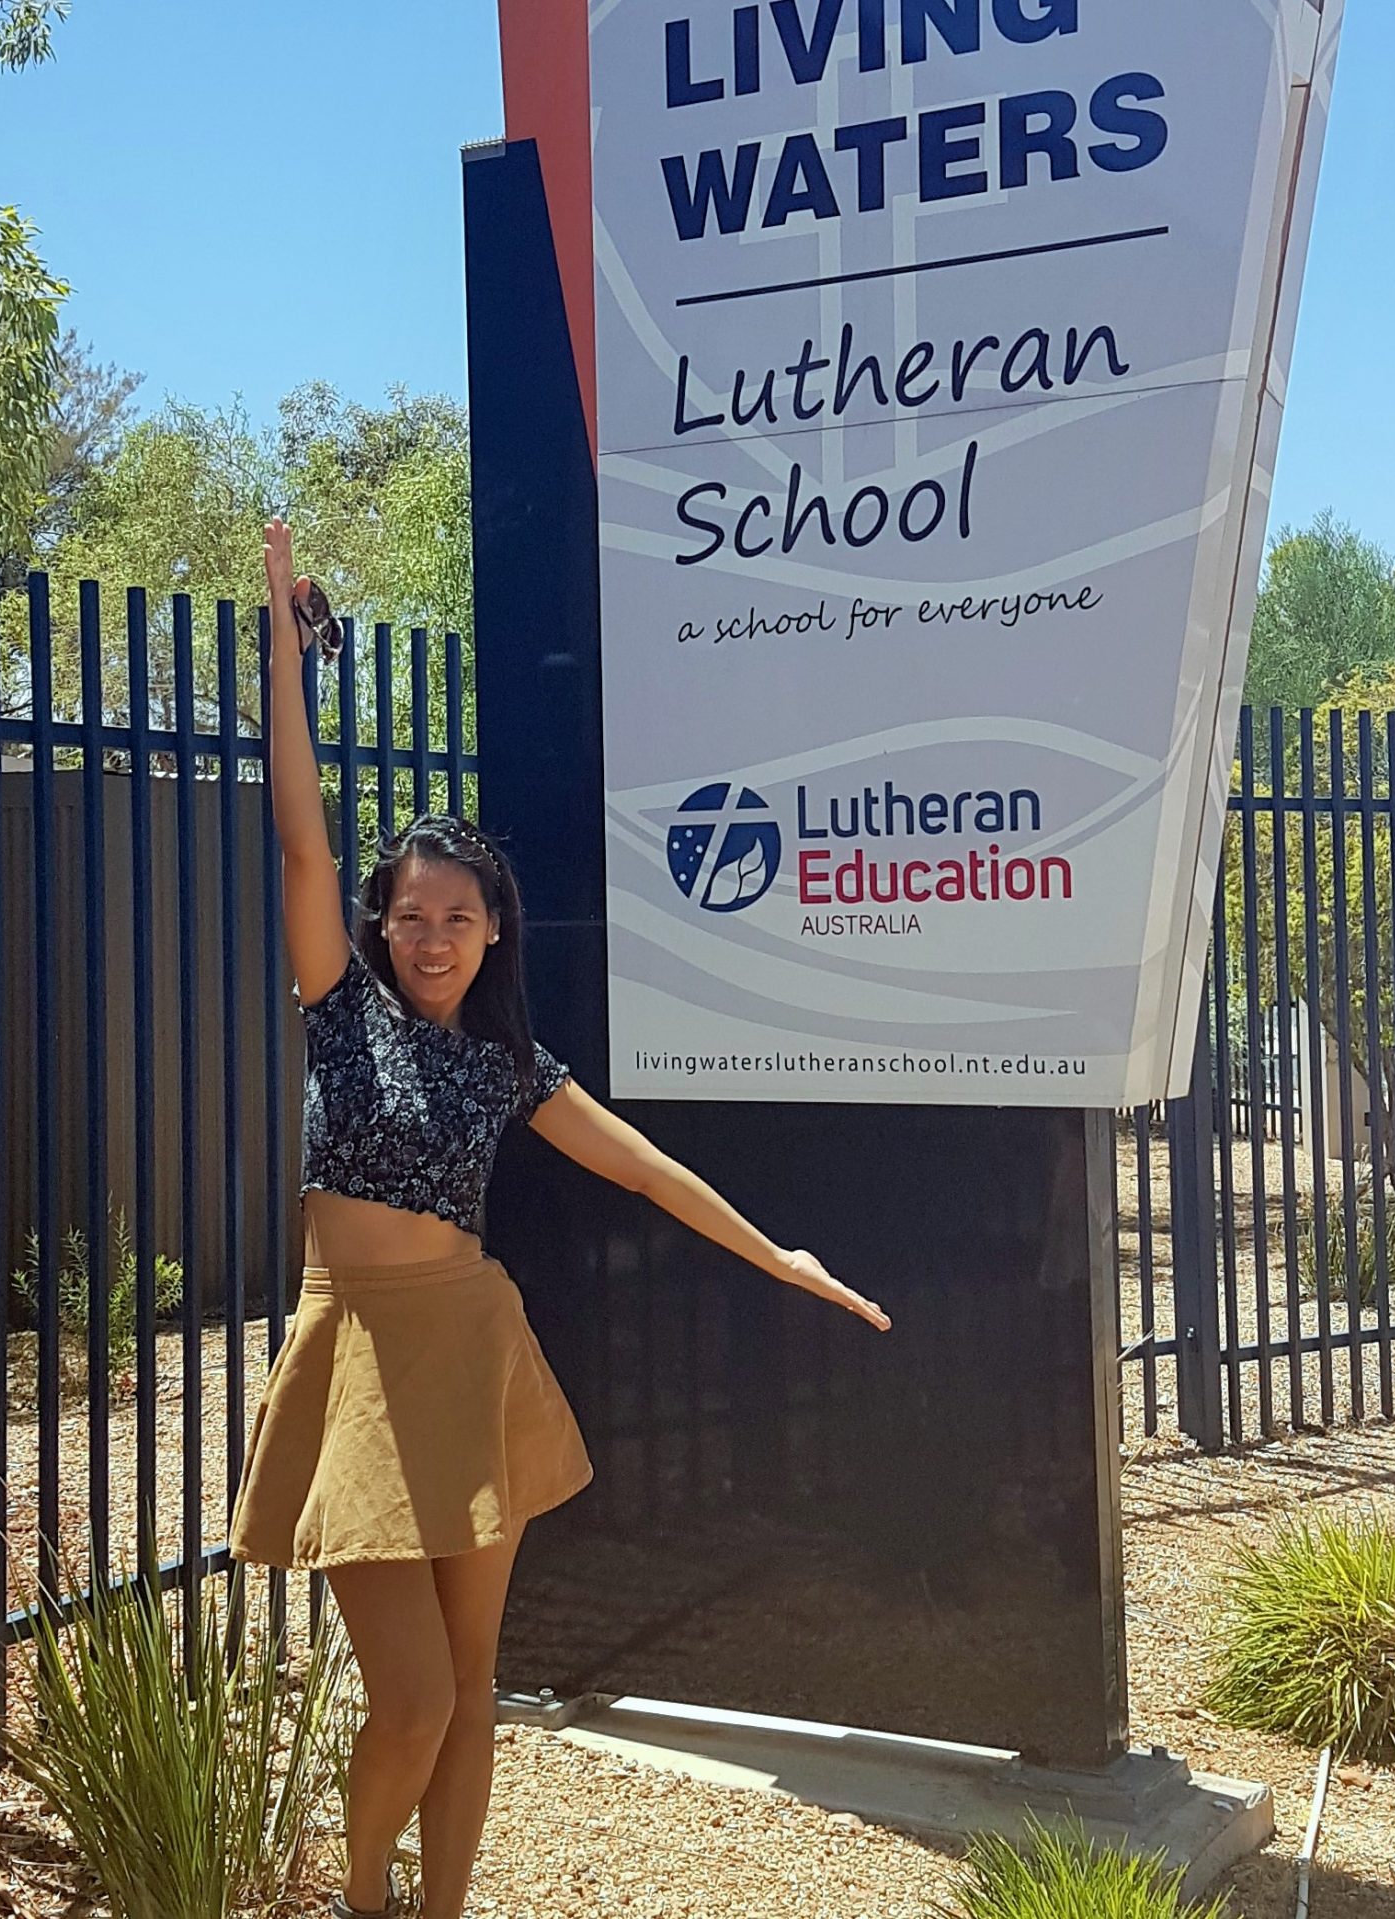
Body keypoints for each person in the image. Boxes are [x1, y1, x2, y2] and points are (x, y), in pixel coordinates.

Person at [230, 519, 891, 1919]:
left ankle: (446, 1908)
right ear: (379, 924)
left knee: (473, 1690)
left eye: (461, 917)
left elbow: (645, 1169)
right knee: (405, 1698)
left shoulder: (510, 1067)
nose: (434, 936)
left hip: (472, 1351)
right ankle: (364, 1893)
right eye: (412, 914)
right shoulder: (335, 1008)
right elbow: (299, 826)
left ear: (492, 934)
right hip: (352, 1360)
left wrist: (780, 1256)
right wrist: (283, 660)